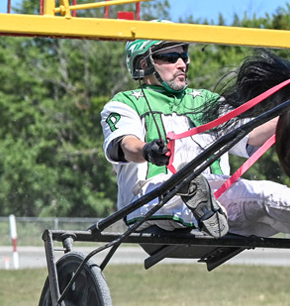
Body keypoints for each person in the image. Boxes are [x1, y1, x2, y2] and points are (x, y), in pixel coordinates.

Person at [101, 38, 290, 238]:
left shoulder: (207, 101)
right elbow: (125, 144)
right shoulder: (124, 103)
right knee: (179, 191)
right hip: (153, 197)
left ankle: (206, 209)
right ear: (144, 64)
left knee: (271, 196)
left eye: (183, 56)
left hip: (221, 193)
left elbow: (250, 133)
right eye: (170, 58)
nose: (182, 64)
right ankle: (201, 206)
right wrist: (146, 150)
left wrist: (285, 113)